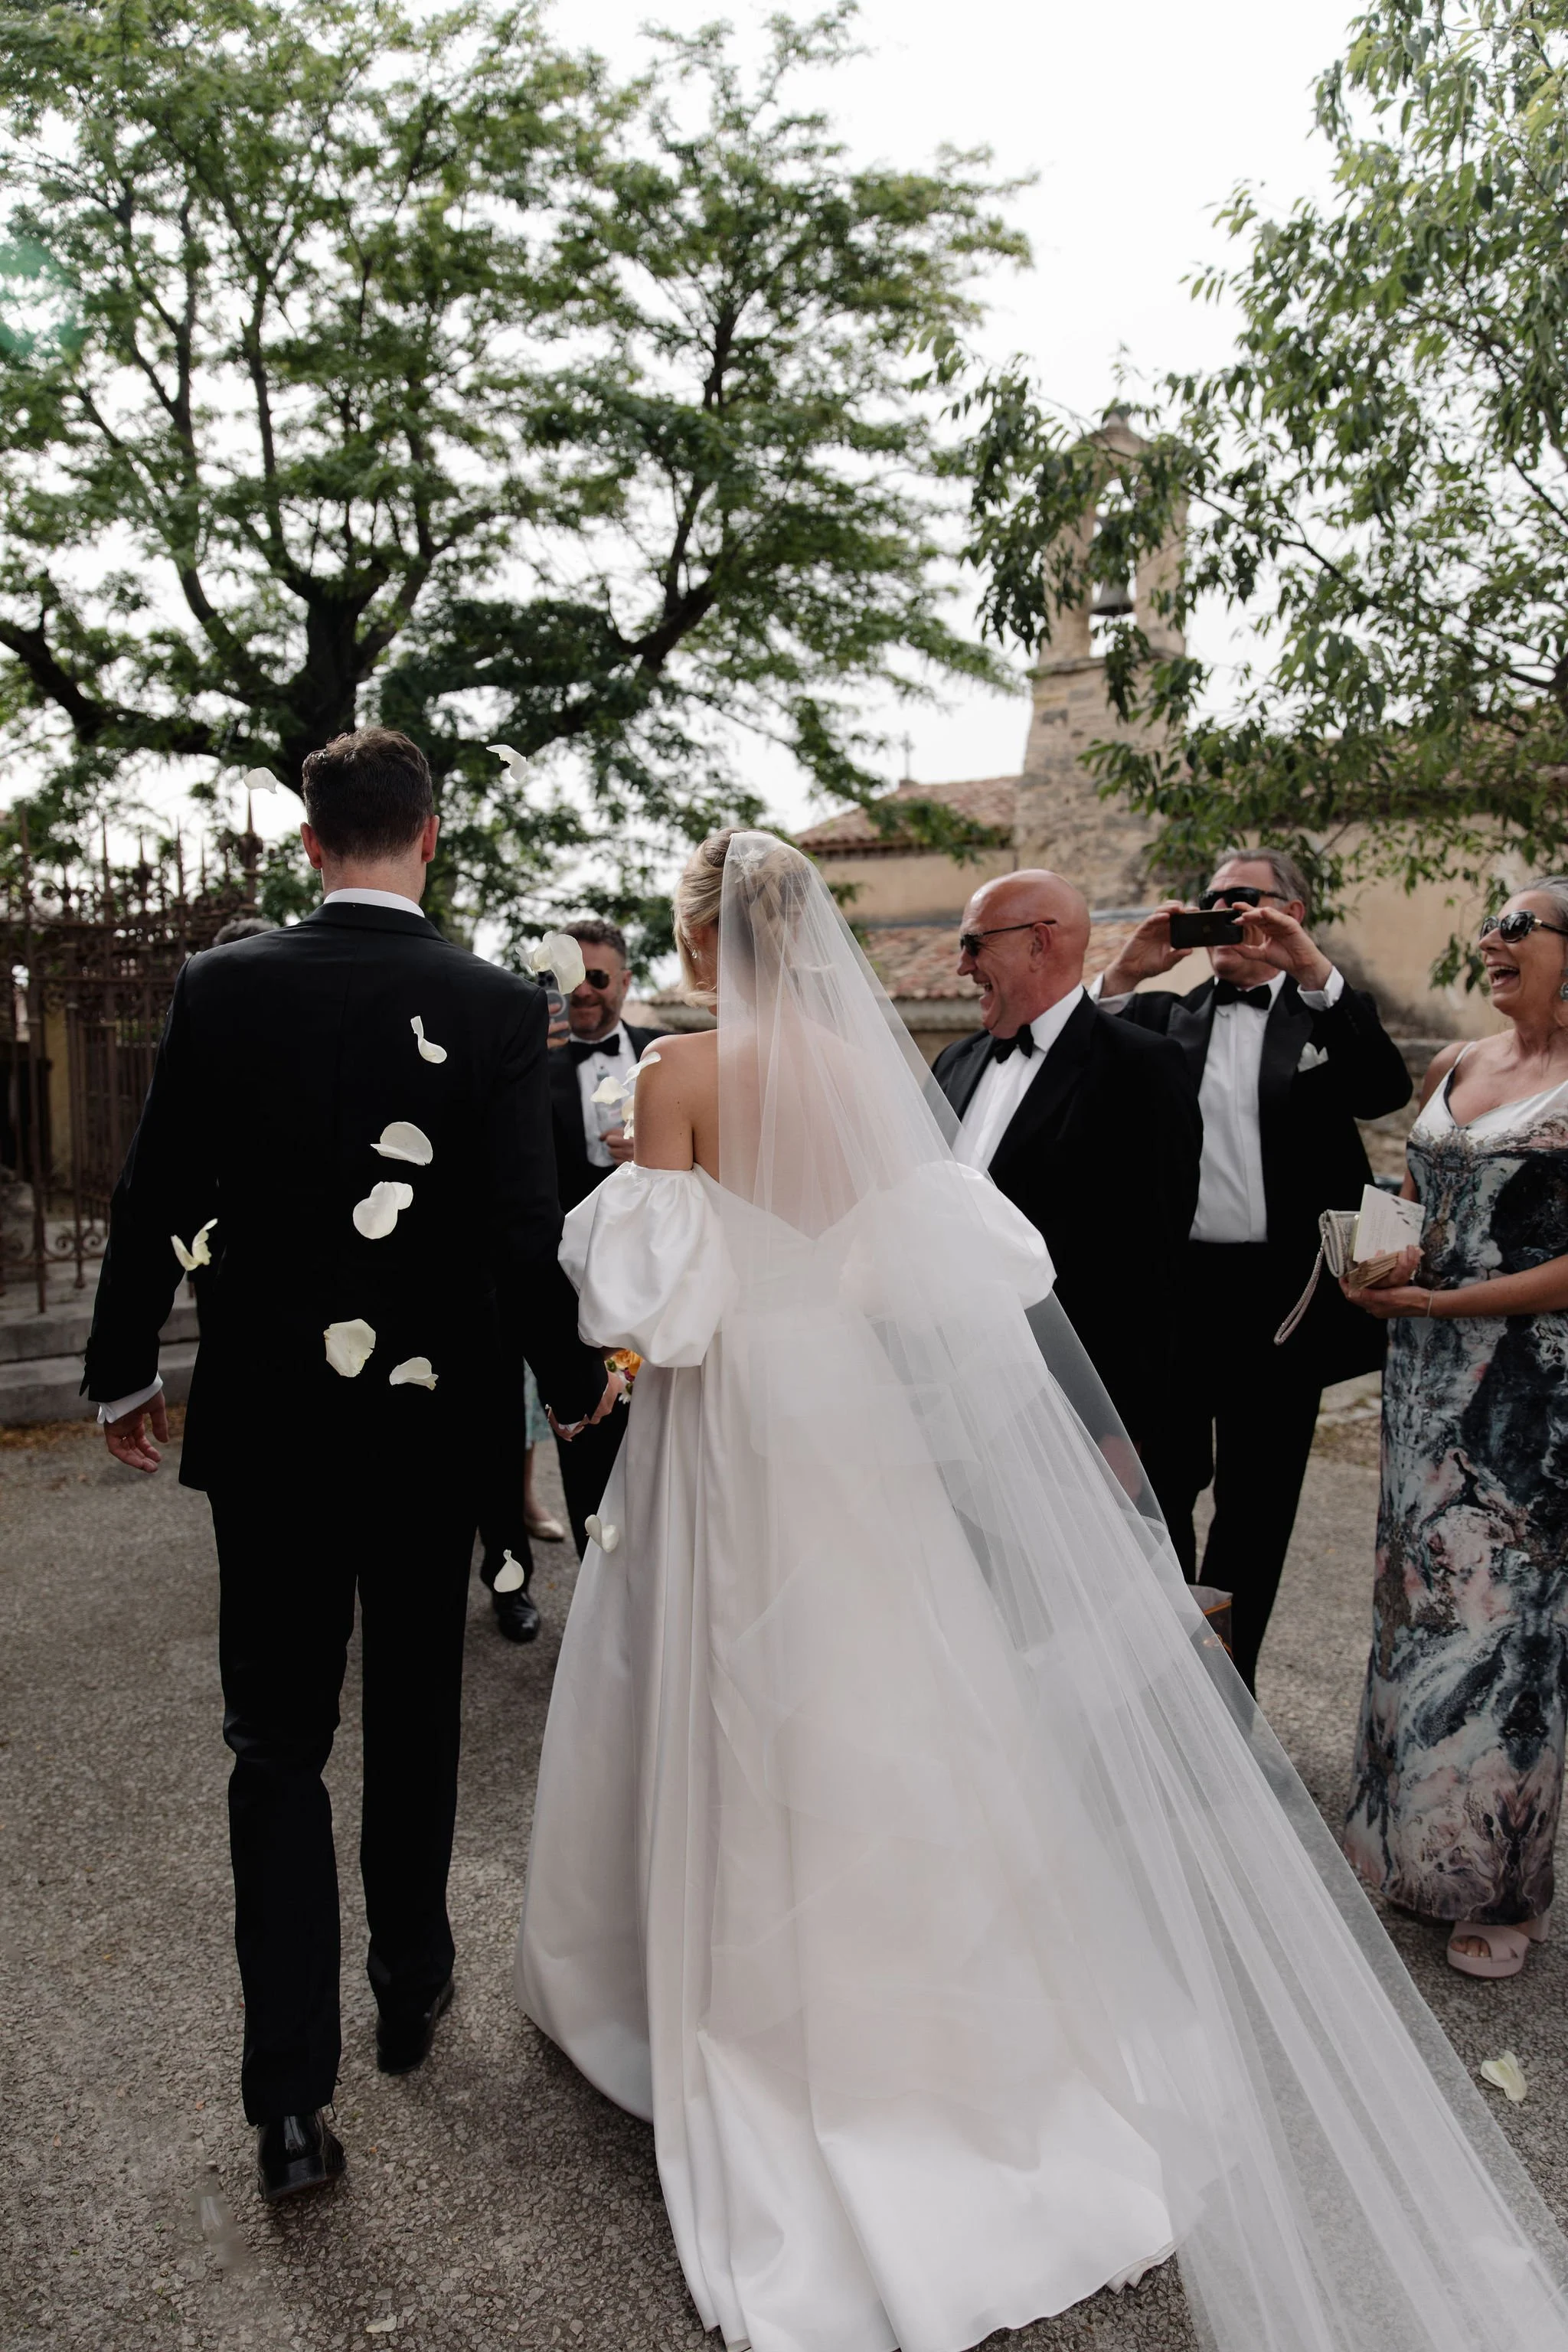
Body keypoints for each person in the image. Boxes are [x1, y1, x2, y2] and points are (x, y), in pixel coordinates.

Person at [515, 828, 1568, 2352]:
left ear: (699, 943)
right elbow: (935, 1277)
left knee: (720, 1673)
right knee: (878, 1681)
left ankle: (716, 1992)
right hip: (847, 1424)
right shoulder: (879, 1089)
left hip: (735, 1421)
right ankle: (925, 2001)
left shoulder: (680, 1079)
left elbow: (648, 1309)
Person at [82, 727, 617, 2203]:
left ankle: (290, 2106)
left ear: (309, 842)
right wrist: (574, 1387)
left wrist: (127, 1367)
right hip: (430, 1428)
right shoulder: (496, 1006)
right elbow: (520, 1233)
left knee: (273, 1741)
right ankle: (408, 1976)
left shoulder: (223, 984)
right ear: (430, 835)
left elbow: (156, 1192)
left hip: (266, 1426)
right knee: (414, 1706)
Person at [1092, 847, 1413, 1690]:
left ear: (1287, 914)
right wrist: (1127, 967)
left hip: (1283, 1306)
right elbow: (1077, 1070)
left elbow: (1382, 1090)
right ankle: (1165, 1696)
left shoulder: (1322, 1016)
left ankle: (1226, 1700)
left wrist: (1308, 968)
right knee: (1155, 1501)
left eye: (1246, 899)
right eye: (1212, 899)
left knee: (1254, 1515)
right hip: (1172, 1300)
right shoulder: (1160, 1020)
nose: (1225, 910)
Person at [1341, 879, 1568, 1982]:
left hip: (1527, 1399)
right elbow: (1406, 1190)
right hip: (1420, 1380)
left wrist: (1441, 1303)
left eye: (1520, 925)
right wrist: (1378, 1259)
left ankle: (1496, 1884)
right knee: (1412, 1609)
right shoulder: (1458, 1064)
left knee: (1502, 1636)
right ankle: (1402, 1847)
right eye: (1491, 922)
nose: (1492, 939)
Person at [931, 870, 1201, 1453]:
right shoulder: (955, 1061)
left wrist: (1114, 1427)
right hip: (953, 1401)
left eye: (974, 944)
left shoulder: (1142, 1068)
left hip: (1065, 1412)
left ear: (1039, 942)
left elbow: (1151, 1269)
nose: (962, 966)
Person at [545, 915, 665, 1556]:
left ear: (623, 979)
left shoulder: (668, 1051)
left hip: (661, 1284)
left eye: (596, 977)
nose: (584, 991)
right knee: (586, 1447)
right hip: (573, 1294)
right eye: (571, 979)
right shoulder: (533, 1067)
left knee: (669, 1448)